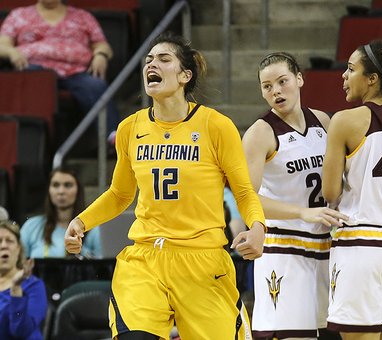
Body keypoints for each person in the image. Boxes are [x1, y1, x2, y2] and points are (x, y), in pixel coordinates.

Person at [64, 32, 266, 340]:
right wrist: (81, 222)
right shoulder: (130, 128)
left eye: (163, 59)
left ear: (185, 75)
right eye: (148, 60)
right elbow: (120, 195)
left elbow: (242, 191)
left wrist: (257, 227)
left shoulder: (215, 126)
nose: (151, 64)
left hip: (203, 259)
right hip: (146, 259)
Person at [242, 51, 347, 340]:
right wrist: (302, 212)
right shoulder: (259, 133)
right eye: (267, 86)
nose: (276, 91)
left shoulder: (323, 121)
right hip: (284, 250)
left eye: (282, 81)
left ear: (299, 79)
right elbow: (247, 198)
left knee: (332, 334)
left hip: (326, 248)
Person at [322, 41, 382, 340]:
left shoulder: (345, 120)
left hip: (361, 246)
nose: (343, 77)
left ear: (372, 78)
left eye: (350, 69)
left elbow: (330, 192)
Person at [0, 0, 120, 141]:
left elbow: (102, 45)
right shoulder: (18, 15)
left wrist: (101, 55)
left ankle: (114, 138)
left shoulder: (83, 17)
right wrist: (12, 52)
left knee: (96, 85)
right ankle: (36, 141)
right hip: (36, 69)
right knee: (34, 79)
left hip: (75, 72)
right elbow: (2, 45)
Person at [21, 167, 102, 259]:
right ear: (49, 190)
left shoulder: (94, 230)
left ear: (78, 190)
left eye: (68, 185)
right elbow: (18, 266)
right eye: (55, 185)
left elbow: (104, 269)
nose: (61, 191)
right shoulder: (31, 226)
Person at [0, 220, 48, 340]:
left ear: (19, 249)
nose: (4, 246)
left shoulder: (33, 286)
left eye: (9, 241)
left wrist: (16, 288)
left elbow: (20, 332)